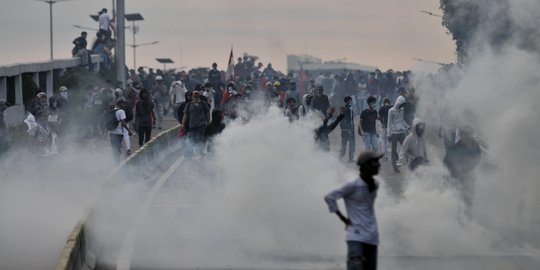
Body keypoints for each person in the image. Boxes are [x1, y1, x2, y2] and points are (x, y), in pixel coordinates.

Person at [325, 151, 382, 270]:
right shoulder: (353, 184)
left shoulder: (375, 184)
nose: (378, 165)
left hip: (372, 235)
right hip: (355, 236)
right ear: (366, 165)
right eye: (375, 162)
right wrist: (343, 219)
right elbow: (330, 197)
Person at [443, 125, 481, 215]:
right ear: (460, 135)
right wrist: (450, 174)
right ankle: (458, 216)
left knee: (469, 198)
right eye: (463, 135)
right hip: (457, 178)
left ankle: (467, 216)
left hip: (469, 177)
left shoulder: (475, 146)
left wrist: (468, 167)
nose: (465, 137)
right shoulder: (454, 148)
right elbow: (446, 163)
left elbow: (478, 157)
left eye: (467, 135)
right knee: (458, 197)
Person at [387, 95, 408, 173]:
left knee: (406, 148)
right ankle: (395, 166)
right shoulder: (391, 111)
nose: (403, 106)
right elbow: (389, 123)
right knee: (394, 150)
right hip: (394, 133)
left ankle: (408, 163)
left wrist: (407, 126)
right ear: (398, 103)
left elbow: (402, 120)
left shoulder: (402, 110)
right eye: (402, 104)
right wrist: (388, 134)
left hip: (402, 132)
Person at [340, 96, 356, 162]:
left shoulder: (348, 108)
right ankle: (349, 159)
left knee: (344, 144)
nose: (351, 102)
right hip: (348, 130)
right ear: (348, 101)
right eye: (350, 100)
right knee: (350, 144)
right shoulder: (346, 109)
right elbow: (345, 120)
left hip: (347, 130)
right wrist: (349, 129)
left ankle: (341, 158)